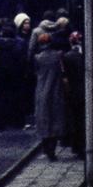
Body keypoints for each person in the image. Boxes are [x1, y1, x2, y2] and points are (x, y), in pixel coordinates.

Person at [32, 32, 66, 161]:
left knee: (43, 119)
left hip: (41, 91)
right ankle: (52, 149)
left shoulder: (37, 58)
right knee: (56, 119)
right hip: (56, 90)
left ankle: (46, 148)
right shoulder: (58, 56)